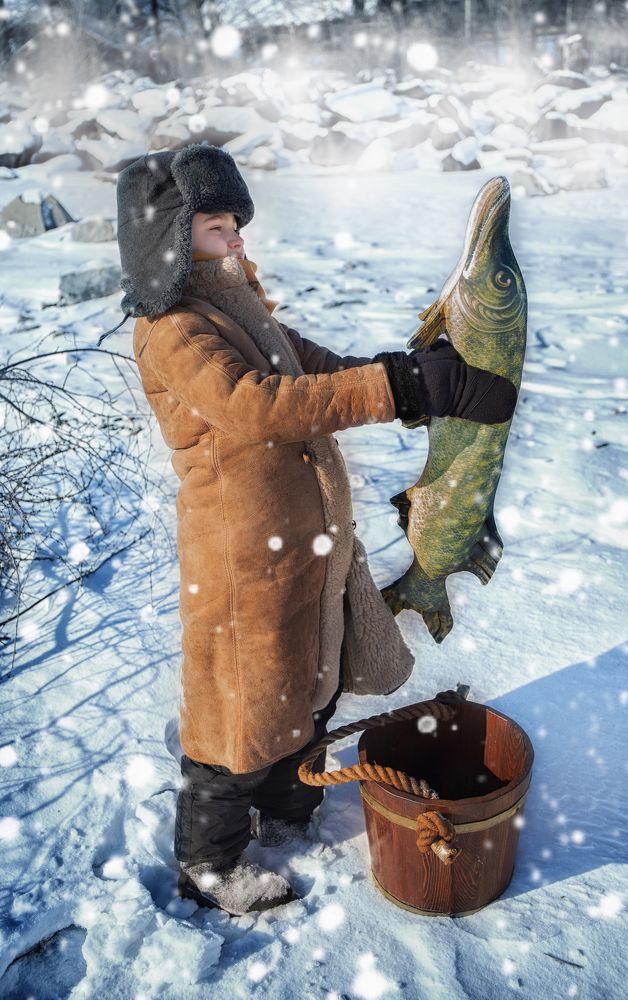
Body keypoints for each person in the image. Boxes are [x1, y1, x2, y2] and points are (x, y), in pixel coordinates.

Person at [114, 142, 517, 916]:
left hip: (307, 539)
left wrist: (413, 380)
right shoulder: (174, 328)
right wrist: (394, 386)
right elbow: (259, 405)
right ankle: (209, 861)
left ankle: (291, 803)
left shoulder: (239, 304)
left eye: (237, 221)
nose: (235, 237)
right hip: (240, 554)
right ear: (167, 236)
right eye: (214, 225)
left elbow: (312, 369)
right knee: (240, 702)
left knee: (310, 675)